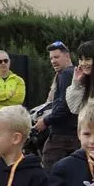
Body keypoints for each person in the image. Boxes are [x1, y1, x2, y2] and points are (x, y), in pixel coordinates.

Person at [36, 41, 79, 169]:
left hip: (62, 134)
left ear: (67, 56)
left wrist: (46, 120)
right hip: (75, 133)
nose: (53, 61)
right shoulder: (75, 73)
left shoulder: (65, 74)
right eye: (51, 58)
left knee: (50, 168)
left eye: (56, 57)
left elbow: (64, 105)